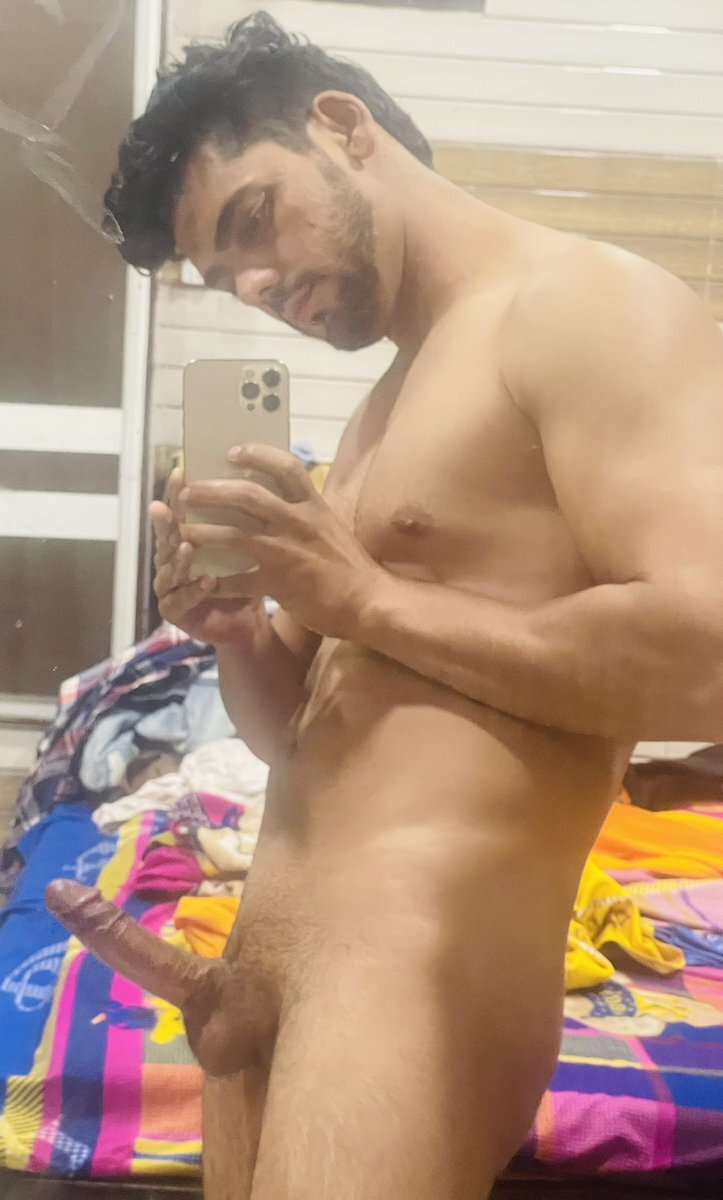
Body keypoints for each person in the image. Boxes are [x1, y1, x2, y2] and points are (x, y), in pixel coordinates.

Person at [46, 12, 723, 1199]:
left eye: (253, 221)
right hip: (258, 984)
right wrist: (240, 635)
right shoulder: (375, 419)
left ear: (342, 126)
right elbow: (302, 735)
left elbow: (707, 658)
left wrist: (362, 598)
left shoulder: (588, 306)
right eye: (225, 276)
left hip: (411, 978)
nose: (257, 285)